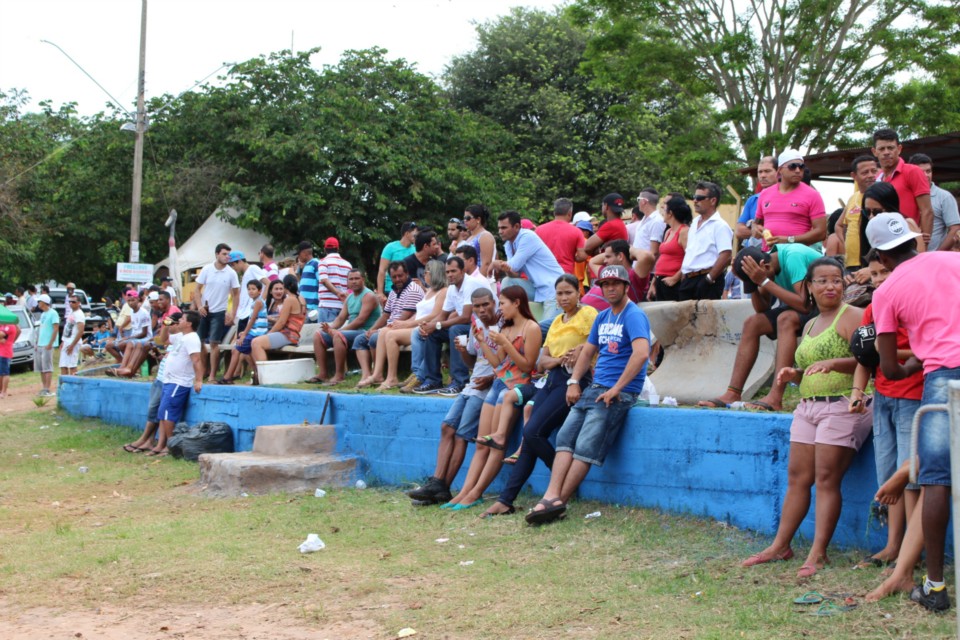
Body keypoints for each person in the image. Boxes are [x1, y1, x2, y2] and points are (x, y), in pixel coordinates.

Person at [741, 258, 870, 578]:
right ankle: (780, 545)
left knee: (827, 479)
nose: (831, 286)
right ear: (809, 287)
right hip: (809, 406)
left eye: (837, 281)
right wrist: (794, 373)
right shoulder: (811, 323)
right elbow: (813, 366)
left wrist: (834, 365)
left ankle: (818, 553)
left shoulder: (851, 315)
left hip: (842, 405)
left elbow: (867, 359)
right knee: (798, 478)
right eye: (823, 281)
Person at [869, 212, 960, 612]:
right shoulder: (955, 260)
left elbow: (889, 368)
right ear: (914, 240)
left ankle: (935, 588)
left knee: (937, 481)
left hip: (942, 378)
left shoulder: (886, 292)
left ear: (880, 257)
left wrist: (914, 363)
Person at [525, 265, 651, 525]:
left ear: (627, 286)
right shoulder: (603, 316)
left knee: (585, 446)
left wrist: (617, 388)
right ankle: (551, 496)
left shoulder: (634, 315)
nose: (610, 288)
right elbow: (587, 352)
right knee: (564, 438)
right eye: (606, 284)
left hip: (618, 393)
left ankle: (561, 501)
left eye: (616, 283)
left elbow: (641, 354)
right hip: (593, 388)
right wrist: (573, 381)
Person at [482, 274, 598, 517]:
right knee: (531, 438)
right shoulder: (556, 321)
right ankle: (506, 499)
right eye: (560, 293)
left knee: (532, 432)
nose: (564, 297)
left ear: (579, 293)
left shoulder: (589, 315)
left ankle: (560, 484)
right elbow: (542, 362)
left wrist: (576, 357)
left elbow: (590, 349)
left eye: (569, 292)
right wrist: (558, 359)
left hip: (573, 381)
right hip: (551, 380)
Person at [849, 247, 923, 567]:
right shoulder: (873, 308)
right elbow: (865, 359)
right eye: (875, 274)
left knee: (910, 476)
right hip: (882, 398)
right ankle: (894, 546)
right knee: (889, 475)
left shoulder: (915, 304)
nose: (880, 279)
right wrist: (856, 391)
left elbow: (925, 351)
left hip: (912, 394)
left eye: (885, 272)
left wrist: (891, 353)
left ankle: (911, 550)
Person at [441, 285, 542, 510]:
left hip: (514, 388)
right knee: (481, 443)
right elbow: (498, 364)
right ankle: (466, 492)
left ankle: (476, 492)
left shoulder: (531, 328)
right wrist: (484, 342)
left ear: (517, 303)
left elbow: (527, 366)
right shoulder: (505, 329)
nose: (500, 309)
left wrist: (505, 343)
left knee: (497, 444)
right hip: (498, 384)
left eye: (503, 303)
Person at [698, 243, 821, 410]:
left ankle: (775, 397)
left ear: (765, 266)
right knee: (752, 323)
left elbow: (806, 305)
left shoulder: (793, 257)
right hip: (806, 305)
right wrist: (751, 285)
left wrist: (764, 281)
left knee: (785, 319)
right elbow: (762, 309)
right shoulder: (766, 264)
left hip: (827, 304)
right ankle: (733, 392)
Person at [406, 287, 500, 506]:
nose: (482, 309)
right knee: (446, 427)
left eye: (486, 304)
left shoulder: (502, 326)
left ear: (494, 303)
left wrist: (492, 378)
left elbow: (509, 363)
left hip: (487, 389)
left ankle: (442, 487)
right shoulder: (475, 325)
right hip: (472, 385)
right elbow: (472, 364)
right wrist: (463, 351)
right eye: (477, 306)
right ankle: (437, 482)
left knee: (461, 435)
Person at [360, 260, 444, 391]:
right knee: (384, 332)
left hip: (425, 327)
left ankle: (394, 377)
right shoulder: (429, 291)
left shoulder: (441, 291)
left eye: (426, 272)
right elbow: (418, 313)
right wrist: (405, 323)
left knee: (390, 335)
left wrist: (406, 323)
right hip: (417, 325)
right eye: (394, 276)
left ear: (433, 273)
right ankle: (378, 374)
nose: (424, 275)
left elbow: (435, 315)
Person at [410, 256, 483, 395]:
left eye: (453, 271)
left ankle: (460, 381)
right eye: (447, 272)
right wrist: (429, 326)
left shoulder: (471, 284)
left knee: (456, 330)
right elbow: (443, 315)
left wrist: (437, 325)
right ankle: (433, 380)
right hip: (469, 327)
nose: (450, 275)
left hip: (484, 327)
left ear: (462, 271)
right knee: (433, 333)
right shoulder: (451, 289)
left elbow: (466, 318)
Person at [122, 311, 183, 453]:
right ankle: (149, 441)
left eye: (173, 323)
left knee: (154, 410)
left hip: (167, 379)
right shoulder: (175, 337)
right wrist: (165, 325)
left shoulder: (181, 337)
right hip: (161, 377)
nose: (170, 325)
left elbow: (163, 340)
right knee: (155, 410)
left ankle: (146, 439)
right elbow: (161, 340)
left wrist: (167, 326)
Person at [353, 261, 423, 383]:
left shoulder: (413, 290)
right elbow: (385, 315)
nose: (397, 279)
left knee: (375, 338)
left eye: (400, 276)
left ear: (406, 273)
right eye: (394, 277)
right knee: (360, 339)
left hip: (403, 326)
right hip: (392, 326)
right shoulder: (393, 291)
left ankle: (381, 374)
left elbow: (404, 317)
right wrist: (372, 329)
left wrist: (378, 330)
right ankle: (368, 374)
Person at [146, 310, 204, 457]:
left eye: (182, 319)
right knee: (163, 412)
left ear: (189, 323)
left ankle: (171, 446)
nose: (179, 321)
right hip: (169, 380)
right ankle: (165, 445)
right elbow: (163, 338)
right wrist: (166, 323)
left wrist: (198, 380)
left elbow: (196, 360)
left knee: (169, 413)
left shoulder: (191, 338)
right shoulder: (182, 336)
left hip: (179, 382)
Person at [312, 269, 383, 386]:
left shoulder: (368, 295)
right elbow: (340, 319)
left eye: (357, 278)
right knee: (318, 335)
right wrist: (329, 328)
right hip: (351, 332)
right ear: (347, 282)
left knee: (338, 335)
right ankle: (323, 374)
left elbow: (361, 320)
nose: (354, 282)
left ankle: (339, 375)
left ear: (363, 280)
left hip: (365, 331)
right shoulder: (349, 298)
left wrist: (337, 331)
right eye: (351, 279)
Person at [491, 211, 564, 324]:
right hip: (538, 289)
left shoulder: (527, 237)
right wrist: (504, 268)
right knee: (508, 281)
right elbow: (515, 273)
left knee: (545, 328)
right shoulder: (508, 244)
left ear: (516, 227)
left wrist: (494, 264)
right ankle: (506, 318)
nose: (500, 231)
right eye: (499, 228)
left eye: (504, 227)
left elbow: (512, 265)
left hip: (553, 288)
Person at [753, 149, 827, 251]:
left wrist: (789, 240)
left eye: (801, 167)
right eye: (792, 166)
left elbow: (821, 233)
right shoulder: (765, 194)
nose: (797, 170)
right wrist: (755, 228)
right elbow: (757, 223)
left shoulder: (812, 195)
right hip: (768, 255)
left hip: (797, 254)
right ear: (780, 170)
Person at [872, 128, 933, 242]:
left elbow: (927, 211)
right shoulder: (877, 178)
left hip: (908, 242)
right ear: (874, 152)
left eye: (890, 148)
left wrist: (922, 245)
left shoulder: (913, 171)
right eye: (881, 148)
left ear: (899, 149)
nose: (886, 152)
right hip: (883, 242)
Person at [193, 243, 240, 382]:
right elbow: (197, 289)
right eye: (224, 254)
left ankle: (212, 375)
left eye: (228, 255)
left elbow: (236, 294)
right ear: (217, 254)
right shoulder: (207, 269)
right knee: (199, 342)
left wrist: (232, 312)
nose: (227, 257)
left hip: (219, 311)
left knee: (214, 343)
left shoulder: (231, 273)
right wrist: (199, 306)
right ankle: (201, 372)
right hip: (205, 310)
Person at [679, 181, 733, 301]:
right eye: (694, 197)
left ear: (713, 201)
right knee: (685, 318)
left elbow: (726, 255)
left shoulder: (720, 226)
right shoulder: (694, 223)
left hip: (707, 279)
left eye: (699, 198)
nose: (695, 201)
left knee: (706, 319)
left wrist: (709, 278)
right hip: (689, 280)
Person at [248, 275, 306, 384]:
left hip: (288, 335)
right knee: (256, 342)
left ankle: (263, 378)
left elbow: (281, 322)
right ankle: (258, 376)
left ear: (285, 286)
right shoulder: (301, 298)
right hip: (294, 334)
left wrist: (269, 333)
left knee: (256, 343)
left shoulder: (289, 300)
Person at [219, 280, 268, 385]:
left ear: (260, 291)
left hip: (257, 333)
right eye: (249, 289)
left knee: (236, 350)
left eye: (253, 289)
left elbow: (253, 319)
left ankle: (228, 377)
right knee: (247, 353)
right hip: (254, 332)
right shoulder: (255, 302)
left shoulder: (259, 302)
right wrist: (244, 332)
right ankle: (256, 376)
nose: (250, 291)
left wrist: (245, 333)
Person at [908, 153, 959, 251]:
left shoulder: (944, 197)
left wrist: (937, 254)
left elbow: (955, 228)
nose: (926, 175)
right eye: (921, 172)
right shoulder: (906, 195)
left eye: (928, 171)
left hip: (935, 258)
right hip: (908, 258)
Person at [836, 155, 879, 272]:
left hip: (875, 262)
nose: (871, 175)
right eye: (865, 172)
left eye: (874, 171)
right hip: (851, 263)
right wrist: (845, 243)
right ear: (854, 176)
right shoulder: (853, 198)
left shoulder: (882, 196)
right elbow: (839, 225)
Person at [582, 240, 650, 310]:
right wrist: (611, 252)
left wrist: (630, 249)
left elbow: (646, 257)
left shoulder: (633, 276)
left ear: (620, 256)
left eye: (608, 257)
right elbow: (592, 261)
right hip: (581, 312)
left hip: (601, 317)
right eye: (606, 284)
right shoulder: (607, 272)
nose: (604, 261)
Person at [648, 196, 691, 302]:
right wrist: (653, 283)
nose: (662, 212)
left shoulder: (684, 232)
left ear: (670, 213)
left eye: (664, 209)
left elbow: (690, 258)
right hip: (661, 280)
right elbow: (662, 257)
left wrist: (675, 277)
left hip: (673, 282)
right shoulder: (668, 232)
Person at [108, 291, 153, 377]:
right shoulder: (132, 312)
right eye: (128, 301)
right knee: (111, 345)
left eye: (133, 300)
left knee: (129, 343)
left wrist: (129, 338)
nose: (130, 303)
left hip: (145, 338)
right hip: (135, 337)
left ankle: (123, 368)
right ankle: (125, 364)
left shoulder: (143, 313)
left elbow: (144, 333)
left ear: (138, 299)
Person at [736, 156, 778, 247]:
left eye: (767, 171)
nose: (762, 175)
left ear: (779, 172)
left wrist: (758, 231)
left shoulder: (787, 197)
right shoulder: (753, 200)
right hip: (753, 255)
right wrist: (755, 231)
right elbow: (739, 231)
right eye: (760, 172)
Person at [535, 198, 585, 275]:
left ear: (554, 213)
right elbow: (582, 256)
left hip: (543, 273)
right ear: (569, 213)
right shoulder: (576, 231)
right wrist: (571, 257)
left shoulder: (539, 230)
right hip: (565, 274)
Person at [376, 222, 418, 305]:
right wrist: (380, 292)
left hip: (410, 290)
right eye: (415, 235)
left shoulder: (415, 249)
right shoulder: (390, 247)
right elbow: (382, 270)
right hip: (391, 289)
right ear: (406, 233)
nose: (416, 237)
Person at [228, 251, 268, 333]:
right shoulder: (245, 273)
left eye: (233, 265)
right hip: (244, 313)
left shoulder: (253, 268)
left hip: (250, 312)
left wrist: (261, 302)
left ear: (239, 261)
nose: (233, 268)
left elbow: (268, 283)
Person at [462, 205, 497, 279]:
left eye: (467, 218)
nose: (465, 221)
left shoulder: (485, 236)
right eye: (464, 218)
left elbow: (486, 264)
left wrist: (477, 283)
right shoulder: (469, 239)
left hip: (484, 282)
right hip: (469, 281)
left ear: (478, 219)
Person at [34, 294, 58, 396]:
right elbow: (41, 329)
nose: (38, 303)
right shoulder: (43, 314)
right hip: (40, 344)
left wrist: (50, 343)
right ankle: (44, 388)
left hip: (47, 344)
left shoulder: (53, 313)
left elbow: (56, 328)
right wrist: (37, 343)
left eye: (39, 301)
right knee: (41, 368)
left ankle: (47, 388)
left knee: (47, 367)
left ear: (44, 302)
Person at [631, 189, 667, 258]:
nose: (638, 203)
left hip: (647, 267)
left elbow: (654, 252)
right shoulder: (644, 219)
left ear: (644, 201)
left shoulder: (657, 221)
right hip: (638, 265)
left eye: (639, 199)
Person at [59, 293, 86, 376]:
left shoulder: (79, 314)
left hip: (73, 342)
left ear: (78, 303)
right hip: (67, 341)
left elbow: (80, 331)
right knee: (63, 365)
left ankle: (74, 385)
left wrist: (72, 345)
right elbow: (68, 327)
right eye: (70, 301)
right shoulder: (71, 312)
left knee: (72, 366)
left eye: (73, 302)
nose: (71, 303)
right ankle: (64, 385)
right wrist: (63, 341)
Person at [294, 240, 321, 321]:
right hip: (305, 306)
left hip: (312, 307)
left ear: (304, 253)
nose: (298, 257)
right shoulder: (307, 266)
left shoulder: (316, 264)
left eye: (299, 254)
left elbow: (321, 282)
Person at [0, 311, 19, 399]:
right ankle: (1, 390)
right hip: (2, 351)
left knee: (4, 372)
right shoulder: (3, 326)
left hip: (5, 352)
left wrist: (9, 341)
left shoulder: (10, 326)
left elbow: (1, 334)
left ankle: (4, 391)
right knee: (1, 373)